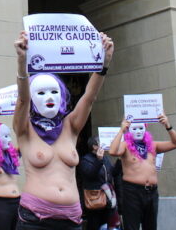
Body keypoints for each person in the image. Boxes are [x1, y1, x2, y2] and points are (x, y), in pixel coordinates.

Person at [12, 30, 114, 229]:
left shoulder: (70, 126)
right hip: (35, 218)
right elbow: (23, 100)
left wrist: (104, 63)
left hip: (72, 218)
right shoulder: (24, 129)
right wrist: (22, 63)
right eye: (41, 92)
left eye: (53, 91)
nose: (49, 97)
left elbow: (89, 97)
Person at [109, 115, 176, 230]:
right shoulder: (125, 145)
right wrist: (121, 130)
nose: (138, 131)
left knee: (151, 226)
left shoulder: (153, 145)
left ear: (145, 128)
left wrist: (168, 126)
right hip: (132, 192)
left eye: (141, 128)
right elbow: (112, 151)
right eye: (134, 128)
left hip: (151, 192)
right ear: (129, 130)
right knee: (132, 226)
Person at [79, 137, 115, 230]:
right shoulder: (85, 160)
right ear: (95, 146)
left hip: (107, 197)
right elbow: (90, 174)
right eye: (101, 142)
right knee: (94, 225)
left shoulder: (105, 158)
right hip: (94, 199)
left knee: (106, 225)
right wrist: (99, 160)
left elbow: (112, 173)